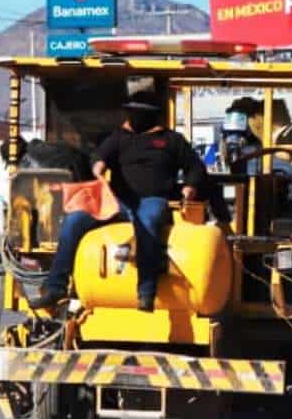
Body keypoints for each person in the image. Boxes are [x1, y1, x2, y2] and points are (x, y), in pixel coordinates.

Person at [41, 77, 207, 312]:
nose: (134, 117)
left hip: (153, 200)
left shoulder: (172, 140)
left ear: (152, 115)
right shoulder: (120, 137)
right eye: (132, 112)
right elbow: (99, 155)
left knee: (147, 222)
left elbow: (195, 167)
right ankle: (55, 286)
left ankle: (146, 290)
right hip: (119, 201)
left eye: (140, 113)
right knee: (75, 219)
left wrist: (190, 187)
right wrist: (98, 164)